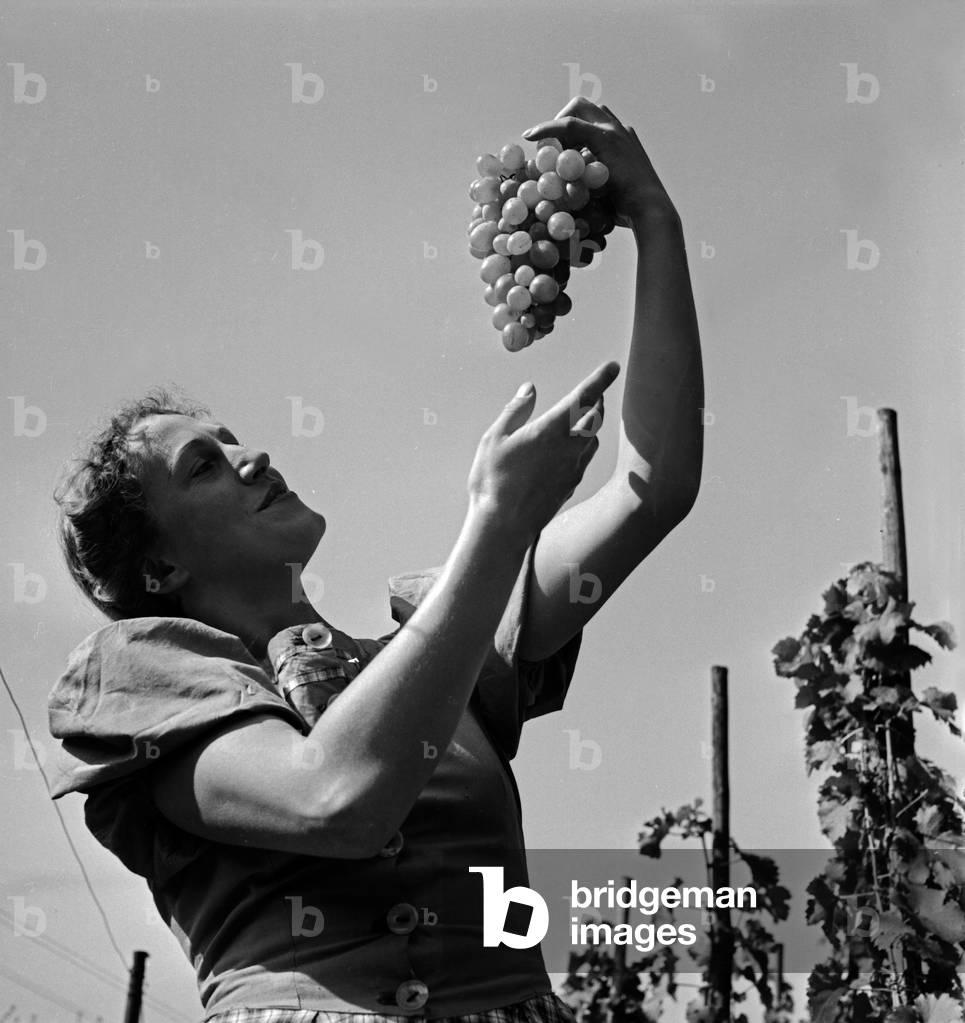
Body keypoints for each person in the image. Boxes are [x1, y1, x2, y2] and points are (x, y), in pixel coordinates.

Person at [47, 97, 703, 1023]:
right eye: (203, 465)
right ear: (155, 568)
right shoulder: (146, 684)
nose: (253, 457)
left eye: (235, 438)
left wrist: (655, 221)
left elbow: (653, 487)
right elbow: (336, 797)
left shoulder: (434, 639)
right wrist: (495, 521)